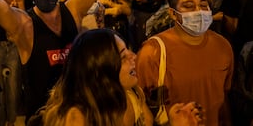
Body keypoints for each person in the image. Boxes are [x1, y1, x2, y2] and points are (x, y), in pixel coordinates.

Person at [40, 28, 203, 126]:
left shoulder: (132, 94)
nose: (133, 56)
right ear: (101, 69)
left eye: (128, 50)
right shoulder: (77, 117)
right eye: (123, 56)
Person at [136, 0, 234, 126]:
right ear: (173, 14)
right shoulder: (153, 51)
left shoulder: (223, 45)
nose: (199, 11)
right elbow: (142, 105)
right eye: (189, 6)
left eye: (203, 5)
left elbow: (224, 96)